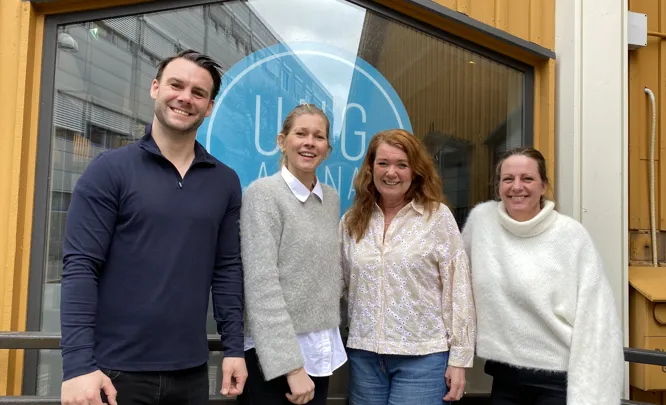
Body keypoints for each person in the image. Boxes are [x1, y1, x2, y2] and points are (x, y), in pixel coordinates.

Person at [60, 49, 247, 405]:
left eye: (198, 93)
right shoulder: (109, 170)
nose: (184, 98)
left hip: (191, 372)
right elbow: (81, 268)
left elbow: (226, 270)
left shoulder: (224, 182)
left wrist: (233, 347)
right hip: (113, 373)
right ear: (155, 88)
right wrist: (77, 365)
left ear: (209, 107)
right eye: (176, 85)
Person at [461, 147, 624, 405]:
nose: (517, 187)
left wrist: (592, 392)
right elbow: (457, 286)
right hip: (503, 374)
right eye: (508, 179)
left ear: (543, 186)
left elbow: (597, 317)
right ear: (498, 186)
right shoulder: (482, 222)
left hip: (558, 380)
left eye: (527, 179)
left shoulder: (570, 236)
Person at [340, 129, 476, 405]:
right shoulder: (352, 221)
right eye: (383, 163)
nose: (392, 173)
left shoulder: (437, 217)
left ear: (415, 171)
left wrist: (460, 359)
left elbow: (458, 289)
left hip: (423, 358)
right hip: (364, 356)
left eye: (402, 165)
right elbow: (336, 285)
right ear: (370, 168)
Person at [238, 103, 346, 405]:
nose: (310, 142)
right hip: (276, 359)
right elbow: (261, 284)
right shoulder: (264, 194)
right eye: (301, 133)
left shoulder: (331, 199)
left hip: (319, 351)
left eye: (319, 136)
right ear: (282, 141)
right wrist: (291, 366)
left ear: (327, 148)